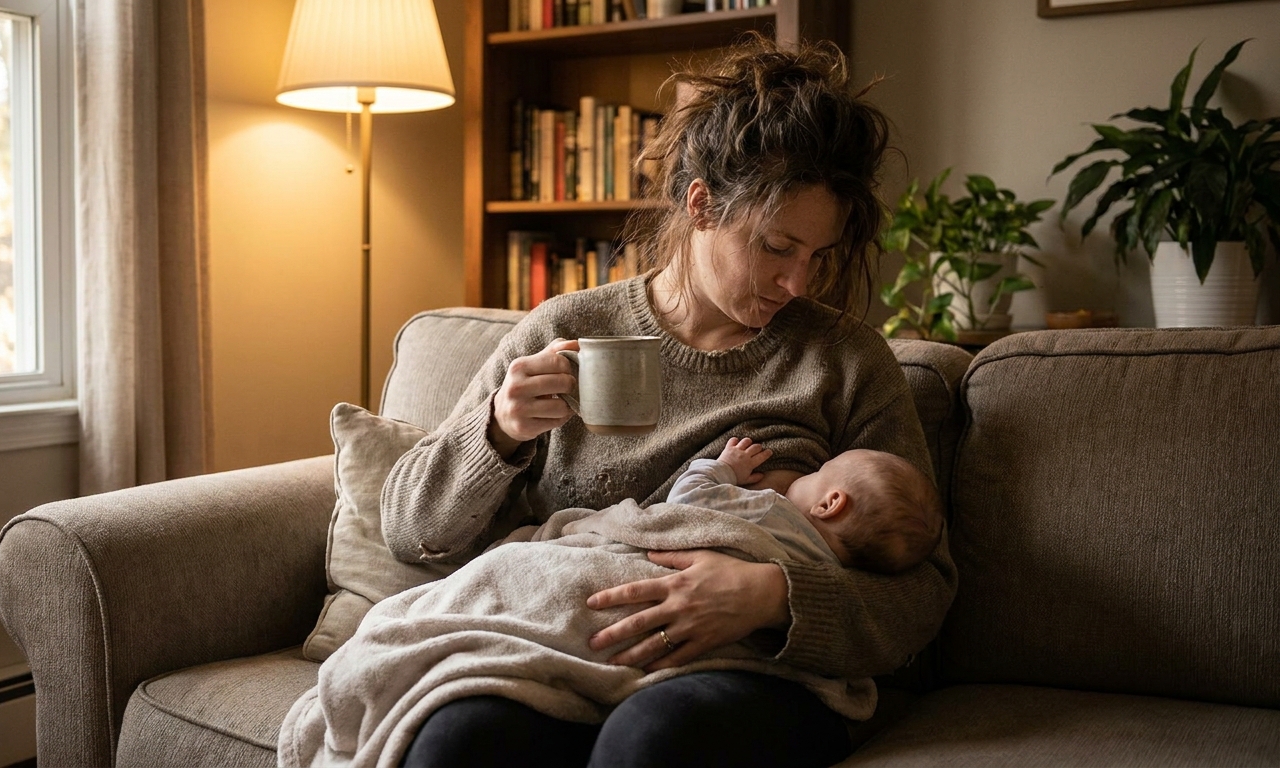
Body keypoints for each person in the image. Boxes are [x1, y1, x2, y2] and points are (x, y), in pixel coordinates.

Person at [380, 34, 956, 768]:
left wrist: (773, 594)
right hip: (565, 649)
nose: (798, 285)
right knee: (458, 742)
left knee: (652, 742)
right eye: (778, 247)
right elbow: (408, 530)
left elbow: (925, 591)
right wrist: (497, 432)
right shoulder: (568, 328)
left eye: (818, 256)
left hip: (748, 673)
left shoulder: (842, 359)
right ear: (701, 204)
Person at [675, 438, 943, 576]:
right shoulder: (828, 574)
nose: (810, 472)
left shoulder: (770, 510)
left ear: (829, 504)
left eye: (820, 471)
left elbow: (683, 502)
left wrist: (725, 469)